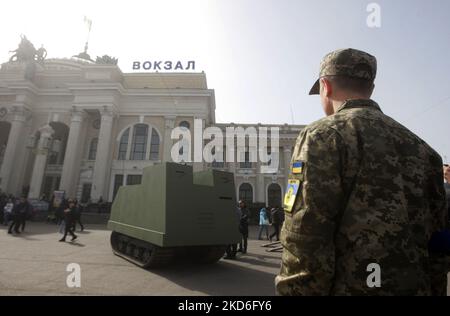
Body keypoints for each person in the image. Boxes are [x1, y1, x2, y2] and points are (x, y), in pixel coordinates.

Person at [276, 48, 449, 296]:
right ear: (370, 88)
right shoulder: (424, 151)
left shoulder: (322, 135)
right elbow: (438, 246)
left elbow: (305, 236)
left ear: (326, 87)